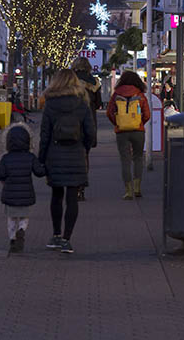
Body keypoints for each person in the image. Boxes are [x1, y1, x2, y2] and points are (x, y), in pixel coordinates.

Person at [38, 69, 95, 255]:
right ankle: (67, 239)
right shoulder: (82, 103)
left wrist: (41, 158)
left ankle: (55, 234)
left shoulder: (50, 104)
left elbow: (44, 134)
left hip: (54, 153)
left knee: (56, 195)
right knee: (72, 197)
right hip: (76, 153)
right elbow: (90, 134)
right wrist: (84, 149)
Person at [0, 122, 46, 253]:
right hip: (26, 194)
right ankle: (21, 230)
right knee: (24, 217)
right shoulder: (30, 157)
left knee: (11, 218)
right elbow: (39, 172)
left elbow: (0, 174)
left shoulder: (6, 158)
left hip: (10, 195)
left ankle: (12, 239)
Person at [106, 70, 152, 200]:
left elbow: (109, 112)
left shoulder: (116, 94)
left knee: (125, 160)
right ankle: (137, 188)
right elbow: (147, 114)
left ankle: (128, 191)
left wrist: (118, 122)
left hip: (122, 132)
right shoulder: (140, 95)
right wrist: (139, 123)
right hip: (138, 131)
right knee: (138, 158)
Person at [70, 57, 101, 200]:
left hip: (71, 122)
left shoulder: (69, 80)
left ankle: (72, 186)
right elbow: (99, 103)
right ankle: (81, 188)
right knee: (85, 155)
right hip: (89, 121)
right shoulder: (94, 82)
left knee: (70, 154)